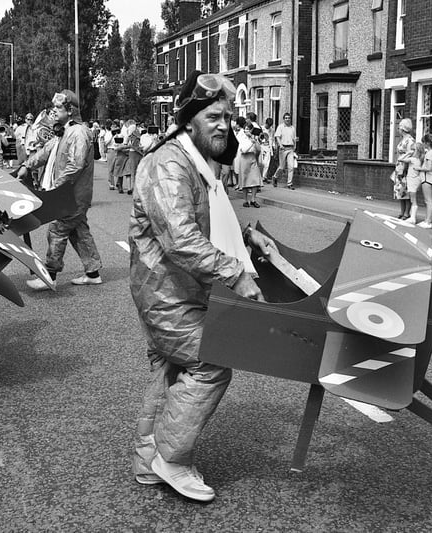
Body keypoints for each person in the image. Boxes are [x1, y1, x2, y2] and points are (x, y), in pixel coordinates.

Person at [130, 70, 274, 503]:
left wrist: (248, 235)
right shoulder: (169, 163)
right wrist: (236, 274)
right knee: (210, 363)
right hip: (166, 292)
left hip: (180, 288)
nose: (223, 125)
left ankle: (147, 459)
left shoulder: (197, 161)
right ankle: (172, 460)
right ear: (189, 118)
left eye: (227, 117)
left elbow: (203, 219)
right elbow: (181, 237)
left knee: (170, 369)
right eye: (213, 116)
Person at [18, 89, 103, 289]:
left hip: (72, 195)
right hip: (72, 194)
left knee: (57, 230)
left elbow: (76, 164)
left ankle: (50, 275)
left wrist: (56, 188)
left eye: (57, 107)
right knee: (79, 231)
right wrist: (26, 166)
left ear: (70, 110)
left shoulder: (79, 132)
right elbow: (46, 151)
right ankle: (93, 272)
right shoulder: (65, 131)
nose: (53, 111)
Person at [406, 135, 432, 228]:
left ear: (427, 143)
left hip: (427, 178)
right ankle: (427, 220)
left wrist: (418, 168)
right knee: (429, 200)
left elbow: (427, 168)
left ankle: (428, 221)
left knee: (428, 201)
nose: (423, 144)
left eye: (424, 142)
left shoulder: (428, 154)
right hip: (430, 177)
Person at [392, 118, 415, 219]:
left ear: (402, 129)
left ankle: (407, 212)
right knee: (400, 190)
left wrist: (404, 169)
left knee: (406, 190)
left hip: (405, 168)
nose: (398, 130)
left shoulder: (410, 141)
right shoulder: (403, 140)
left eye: (399, 128)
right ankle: (402, 212)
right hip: (399, 166)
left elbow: (410, 156)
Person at [236, 118, 262, 208]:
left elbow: (259, 149)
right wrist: (251, 143)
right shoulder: (241, 138)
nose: (247, 130)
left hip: (252, 158)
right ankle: (246, 200)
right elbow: (243, 150)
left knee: (255, 179)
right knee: (245, 180)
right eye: (246, 129)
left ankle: (253, 200)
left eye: (249, 129)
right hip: (244, 158)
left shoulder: (253, 137)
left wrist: (256, 142)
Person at [274, 112, 297, 189]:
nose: (287, 119)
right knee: (282, 167)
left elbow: (294, 139)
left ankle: (289, 183)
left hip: (290, 148)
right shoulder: (280, 127)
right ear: (283, 119)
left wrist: (294, 147)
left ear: (290, 119)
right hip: (283, 148)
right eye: (286, 118)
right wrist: (280, 145)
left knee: (291, 167)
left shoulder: (292, 128)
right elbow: (277, 137)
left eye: (289, 118)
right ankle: (275, 177)